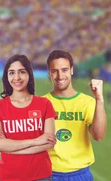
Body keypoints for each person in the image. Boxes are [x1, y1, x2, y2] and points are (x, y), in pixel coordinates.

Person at [0, 54, 57, 181]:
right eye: (11, 73)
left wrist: (10, 148)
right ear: (6, 76)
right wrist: (35, 141)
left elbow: (49, 143)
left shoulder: (44, 104)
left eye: (22, 72)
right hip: (9, 176)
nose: (16, 77)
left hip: (41, 175)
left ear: (29, 74)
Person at [43, 50, 107, 181]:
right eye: (55, 71)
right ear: (49, 73)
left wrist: (99, 100)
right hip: (47, 174)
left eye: (65, 70)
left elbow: (98, 136)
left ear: (72, 70)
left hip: (80, 175)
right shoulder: (40, 104)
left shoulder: (88, 102)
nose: (60, 76)